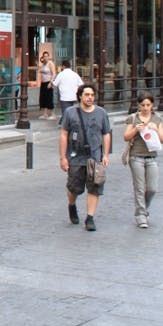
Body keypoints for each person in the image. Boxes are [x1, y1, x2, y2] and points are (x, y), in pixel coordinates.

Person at [58, 83, 111, 232]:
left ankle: (90, 218)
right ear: (80, 96)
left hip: (94, 157)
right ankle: (72, 205)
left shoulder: (101, 113)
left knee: (95, 187)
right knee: (74, 188)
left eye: (92, 95)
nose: (90, 98)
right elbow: (63, 134)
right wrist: (63, 157)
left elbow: (106, 134)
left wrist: (105, 155)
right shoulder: (70, 112)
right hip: (75, 156)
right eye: (87, 95)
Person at [123, 90, 163, 229]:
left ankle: (143, 208)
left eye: (148, 105)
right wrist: (136, 129)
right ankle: (141, 215)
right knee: (139, 188)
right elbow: (126, 136)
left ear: (152, 105)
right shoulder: (133, 118)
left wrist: (155, 129)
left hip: (152, 157)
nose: (146, 108)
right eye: (143, 105)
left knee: (152, 188)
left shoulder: (157, 118)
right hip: (136, 157)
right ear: (139, 105)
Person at [37, 51, 56, 119]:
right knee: (44, 98)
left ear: (48, 56)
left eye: (46, 56)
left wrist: (51, 82)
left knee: (49, 98)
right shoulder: (43, 64)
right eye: (44, 56)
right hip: (43, 82)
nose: (45, 57)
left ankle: (53, 114)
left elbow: (54, 73)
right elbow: (39, 71)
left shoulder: (50, 63)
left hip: (48, 82)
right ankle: (45, 113)